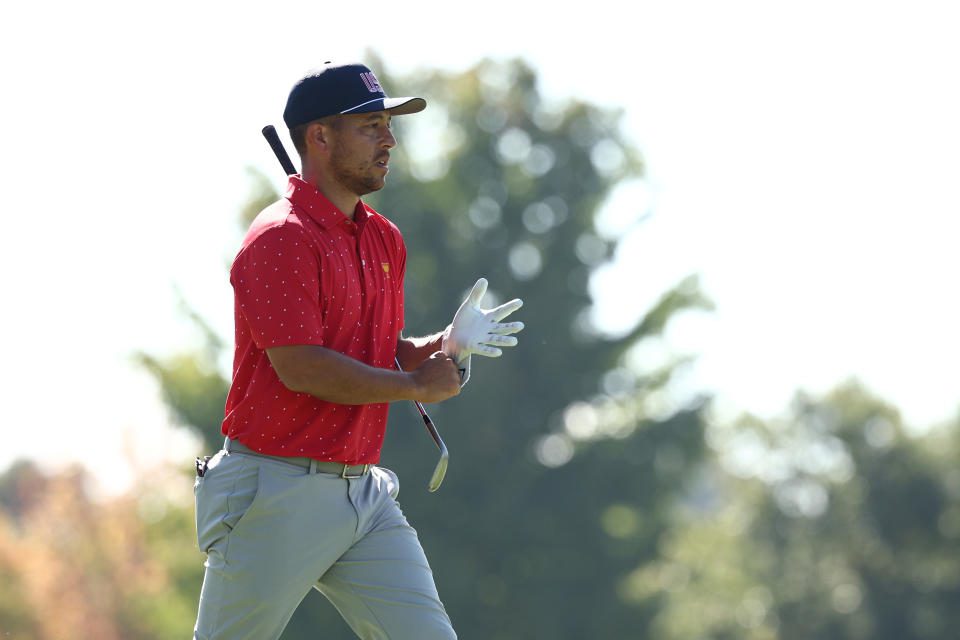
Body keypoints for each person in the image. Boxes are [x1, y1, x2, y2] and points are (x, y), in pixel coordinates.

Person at [192, 62, 525, 640]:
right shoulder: (280, 239)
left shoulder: (382, 237)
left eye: (386, 125)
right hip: (273, 491)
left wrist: (443, 345)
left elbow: (374, 352)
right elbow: (301, 366)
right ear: (319, 138)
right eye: (371, 125)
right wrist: (417, 387)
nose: (389, 140)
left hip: (364, 496)